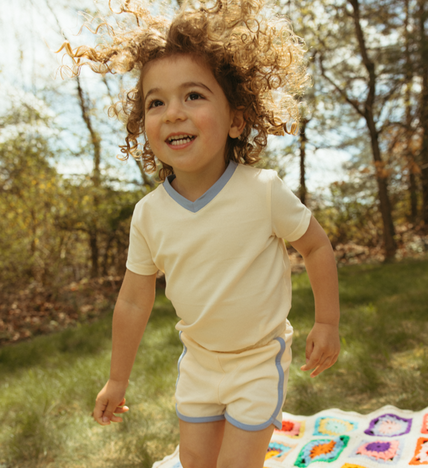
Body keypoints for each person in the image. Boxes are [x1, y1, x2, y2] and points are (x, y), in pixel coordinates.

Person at [58, 1, 340, 467]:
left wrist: (326, 322)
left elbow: (315, 245)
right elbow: (132, 300)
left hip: (257, 363)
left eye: (193, 96)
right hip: (199, 364)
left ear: (235, 118)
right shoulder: (149, 216)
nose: (173, 113)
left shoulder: (263, 192)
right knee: (195, 462)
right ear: (142, 126)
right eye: (156, 102)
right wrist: (117, 380)